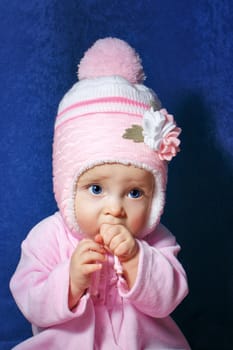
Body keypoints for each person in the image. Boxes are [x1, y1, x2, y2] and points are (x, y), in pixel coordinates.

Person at [10, 37, 190, 349]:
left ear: (155, 197)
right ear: (67, 187)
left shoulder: (158, 241)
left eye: (134, 193)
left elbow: (169, 297)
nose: (115, 209)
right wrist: (70, 281)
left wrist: (136, 257)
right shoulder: (47, 238)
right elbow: (29, 297)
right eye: (96, 189)